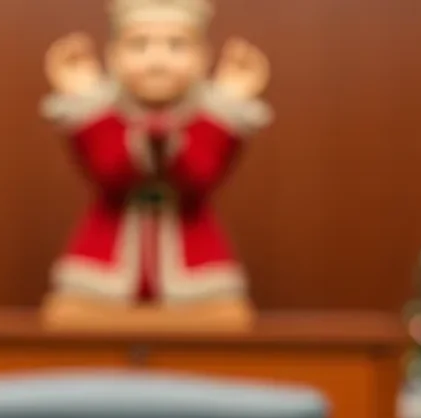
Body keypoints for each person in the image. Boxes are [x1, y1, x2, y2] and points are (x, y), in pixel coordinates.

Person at [41, 0, 271, 327]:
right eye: (139, 45)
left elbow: (201, 175)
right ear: (114, 57)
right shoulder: (95, 114)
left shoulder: (216, 117)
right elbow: (107, 170)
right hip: (101, 273)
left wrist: (222, 108)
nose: (157, 61)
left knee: (224, 322)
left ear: (203, 58)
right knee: (72, 320)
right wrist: (88, 100)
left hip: (197, 274)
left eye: (176, 45)